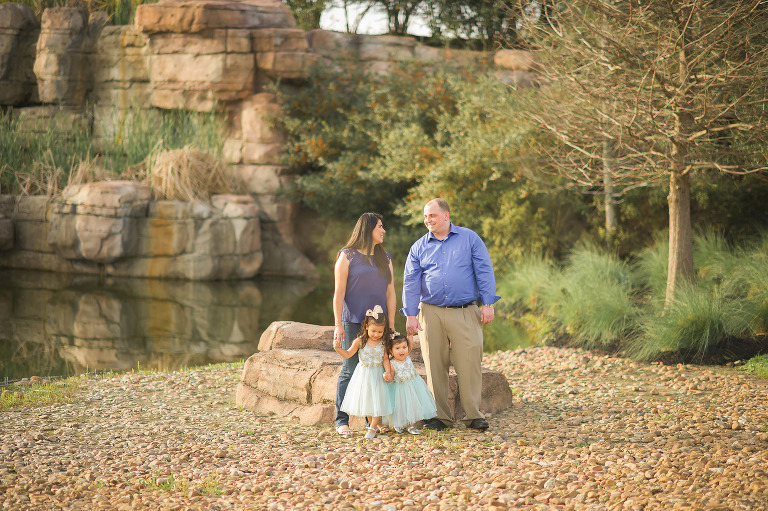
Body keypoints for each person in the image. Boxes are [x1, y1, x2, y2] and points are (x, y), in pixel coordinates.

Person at [401, 198, 499, 432]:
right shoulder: (418, 247)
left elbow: (484, 270)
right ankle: (439, 417)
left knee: (470, 364)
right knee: (435, 365)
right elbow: (411, 282)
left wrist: (487, 303)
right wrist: (411, 314)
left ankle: (473, 416)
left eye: (432, 216)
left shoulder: (469, 238)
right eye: (425, 217)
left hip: (465, 311)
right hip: (430, 313)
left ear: (446, 216)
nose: (428, 221)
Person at [333, 212, 396, 437]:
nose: (383, 230)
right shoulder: (347, 255)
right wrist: (338, 324)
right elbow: (339, 292)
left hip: (378, 325)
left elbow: (390, 293)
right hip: (353, 321)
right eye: (380, 226)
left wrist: (391, 325)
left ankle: (373, 420)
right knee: (349, 370)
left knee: (376, 370)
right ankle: (341, 420)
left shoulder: (385, 257)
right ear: (368, 229)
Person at [334, 306, 393, 439]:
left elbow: (385, 359)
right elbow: (348, 354)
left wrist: (388, 372)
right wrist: (337, 348)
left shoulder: (383, 343)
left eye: (380, 331)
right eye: (373, 331)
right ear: (366, 326)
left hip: (378, 375)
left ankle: (372, 427)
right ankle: (371, 424)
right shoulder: (360, 341)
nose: (376, 334)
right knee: (368, 401)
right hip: (364, 376)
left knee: (377, 401)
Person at [382, 333, 437, 435]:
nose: (402, 350)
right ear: (391, 351)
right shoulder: (392, 364)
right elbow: (391, 377)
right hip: (399, 389)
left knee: (411, 406)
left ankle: (410, 425)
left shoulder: (407, 357)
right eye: (397, 348)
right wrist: (387, 377)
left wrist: (410, 335)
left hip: (412, 386)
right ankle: (399, 424)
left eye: (404, 347)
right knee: (400, 408)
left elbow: (411, 343)